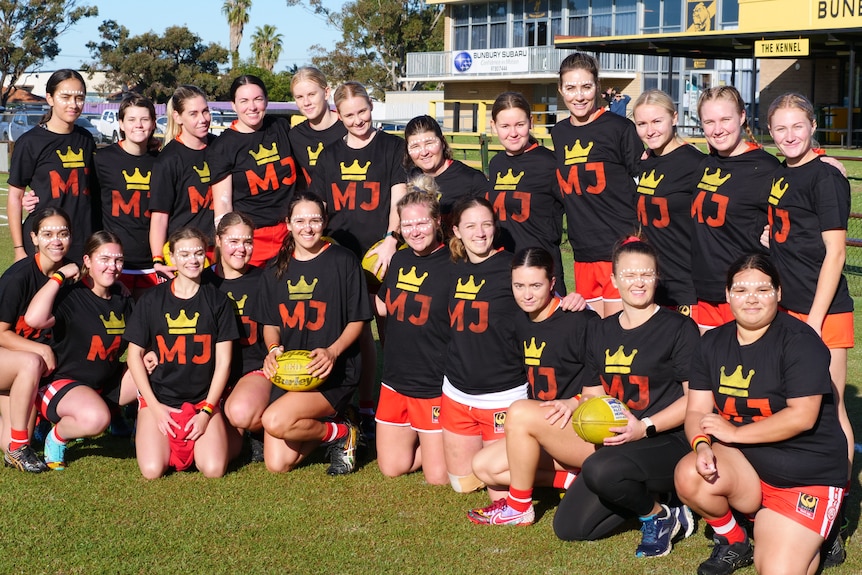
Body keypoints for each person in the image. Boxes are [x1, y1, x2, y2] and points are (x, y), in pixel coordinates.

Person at [471, 238, 699, 561]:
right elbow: (593, 393)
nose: (637, 282)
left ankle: (658, 516)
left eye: (645, 274)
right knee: (569, 527)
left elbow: (694, 402)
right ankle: (654, 498)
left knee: (599, 468)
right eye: (629, 274)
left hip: (663, 438)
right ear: (615, 279)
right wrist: (573, 403)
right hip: (616, 437)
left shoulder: (680, 328)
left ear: (657, 277)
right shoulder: (602, 331)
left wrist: (644, 426)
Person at [675, 253, 848, 575]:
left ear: (778, 293)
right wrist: (700, 445)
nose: (751, 299)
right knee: (689, 474)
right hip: (748, 469)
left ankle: (820, 526)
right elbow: (697, 409)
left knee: (777, 570)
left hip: (804, 475)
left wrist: (735, 434)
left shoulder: (800, 341)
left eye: (762, 290)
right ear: (727, 295)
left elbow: (802, 416)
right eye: (740, 290)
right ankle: (736, 540)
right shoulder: (711, 342)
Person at [765, 93, 854, 565]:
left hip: (822, 313)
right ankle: (799, 500)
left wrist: (814, 321)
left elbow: (836, 253)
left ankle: (834, 519)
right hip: (791, 309)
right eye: (780, 128)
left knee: (831, 412)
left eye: (797, 126)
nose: (790, 135)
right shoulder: (783, 171)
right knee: (795, 410)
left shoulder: (825, 175)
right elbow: (788, 228)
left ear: (814, 125)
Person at [310, 80, 407, 434]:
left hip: (382, 252)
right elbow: (319, 206)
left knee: (391, 329)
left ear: (371, 107)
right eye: (349, 115)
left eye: (363, 111)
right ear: (339, 114)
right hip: (341, 256)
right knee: (356, 333)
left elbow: (399, 198)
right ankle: (362, 408)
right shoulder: (330, 155)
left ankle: (398, 406)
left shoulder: (391, 148)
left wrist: (392, 239)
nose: (358, 120)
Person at [469, 247, 596, 517]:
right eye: (519, 285)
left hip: (583, 429)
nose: (527, 294)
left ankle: (519, 508)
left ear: (552, 284)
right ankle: (573, 481)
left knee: (520, 411)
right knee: (484, 466)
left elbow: (609, 382)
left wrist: (574, 402)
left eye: (536, 285)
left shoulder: (580, 320)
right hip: (544, 428)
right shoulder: (518, 318)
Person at [254, 191, 372, 475]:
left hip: (334, 371)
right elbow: (270, 323)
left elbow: (358, 319)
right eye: (300, 220)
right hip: (294, 372)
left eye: (315, 220)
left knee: (273, 420)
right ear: (288, 224)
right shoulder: (275, 269)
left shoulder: (343, 260)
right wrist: (273, 350)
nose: (308, 228)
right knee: (277, 463)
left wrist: (333, 351)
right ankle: (339, 428)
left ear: (325, 222)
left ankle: (340, 431)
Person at [125, 227, 239, 479]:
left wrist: (207, 412)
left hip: (202, 401)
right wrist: (154, 407)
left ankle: (234, 435)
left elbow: (223, 363)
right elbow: (134, 356)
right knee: (153, 470)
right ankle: (141, 424)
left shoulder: (219, 302)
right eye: (184, 254)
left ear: (206, 256)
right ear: (172, 258)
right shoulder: (152, 299)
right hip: (160, 399)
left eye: (198, 253)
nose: (193, 260)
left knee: (213, 469)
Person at [24, 231, 138, 470]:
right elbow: (34, 319)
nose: (112, 266)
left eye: (118, 260)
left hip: (103, 383)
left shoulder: (123, 298)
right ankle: (56, 436)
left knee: (157, 366)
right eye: (104, 259)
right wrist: (58, 277)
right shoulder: (72, 294)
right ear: (87, 261)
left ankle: (144, 433)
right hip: (60, 383)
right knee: (96, 419)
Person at [440, 197, 526, 497]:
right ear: (457, 231)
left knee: (498, 492)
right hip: (457, 392)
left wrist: (570, 301)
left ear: (495, 228)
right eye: (471, 226)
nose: (479, 233)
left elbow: (545, 306)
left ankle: (565, 472)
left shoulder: (512, 267)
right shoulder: (450, 268)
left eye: (486, 225)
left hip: (502, 393)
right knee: (461, 485)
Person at [552, 53, 642, 318]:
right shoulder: (559, 133)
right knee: (595, 336)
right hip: (583, 253)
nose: (579, 96)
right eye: (570, 88)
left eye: (586, 87)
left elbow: (645, 186)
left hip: (620, 248)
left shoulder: (620, 128)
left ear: (598, 87)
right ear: (561, 90)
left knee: (622, 333)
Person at [373, 186, 450, 484]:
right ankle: (434, 444)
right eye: (407, 224)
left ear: (437, 222)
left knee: (439, 477)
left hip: (433, 382)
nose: (415, 231)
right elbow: (383, 306)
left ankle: (457, 444)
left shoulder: (455, 264)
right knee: (391, 467)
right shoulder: (401, 260)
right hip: (395, 379)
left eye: (421, 223)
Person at [689, 86, 779, 330]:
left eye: (725, 119)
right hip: (704, 291)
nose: (717, 130)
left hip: (746, 292)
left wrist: (822, 160)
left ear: (741, 116)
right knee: (708, 366)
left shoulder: (767, 168)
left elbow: (803, 207)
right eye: (709, 121)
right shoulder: (704, 164)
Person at [0, 208, 76, 472]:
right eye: (47, 234)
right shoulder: (17, 277)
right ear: (33, 238)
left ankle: (16, 438)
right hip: (9, 360)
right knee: (32, 361)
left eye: (63, 233)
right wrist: (39, 348)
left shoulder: (71, 273)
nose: (56, 240)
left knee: (12, 434)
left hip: (21, 371)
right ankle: (18, 450)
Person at [7, 69, 97, 262]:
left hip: (83, 242)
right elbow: (15, 196)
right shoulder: (30, 142)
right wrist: (18, 249)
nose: (73, 104)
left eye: (79, 97)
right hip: (46, 244)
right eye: (65, 97)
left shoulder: (87, 139)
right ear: (50, 98)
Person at [210, 75, 300, 266]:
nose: (252, 107)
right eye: (244, 101)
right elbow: (223, 206)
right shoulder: (223, 146)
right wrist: (225, 250)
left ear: (266, 100)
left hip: (292, 233)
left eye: (258, 99)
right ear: (233, 105)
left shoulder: (280, 127)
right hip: (252, 238)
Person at [487, 91, 567, 293]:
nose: (513, 133)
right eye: (505, 126)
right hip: (504, 267)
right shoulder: (496, 164)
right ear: (493, 126)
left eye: (519, 125)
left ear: (531, 123)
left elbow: (579, 210)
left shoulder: (550, 163)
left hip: (540, 269)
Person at [631, 89, 702, 313]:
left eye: (657, 121)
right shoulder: (644, 162)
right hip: (651, 281)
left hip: (685, 282)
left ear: (674, 118)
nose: (650, 131)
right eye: (642, 123)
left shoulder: (696, 163)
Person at [211, 212, 269, 462]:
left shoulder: (265, 279)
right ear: (218, 240)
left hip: (253, 368)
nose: (241, 249)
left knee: (241, 413)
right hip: (211, 375)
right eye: (233, 241)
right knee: (224, 454)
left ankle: (258, 429)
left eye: (247, 241)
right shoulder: (201, 281)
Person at [94, 93, 161, 298]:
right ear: (121, 124)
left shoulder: (162, 161)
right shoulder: (102, 160)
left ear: (153, 123)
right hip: (113, 263)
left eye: (144, 119)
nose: (138, 125)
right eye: (131, 119)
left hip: (153, 264)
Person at [149, 85, 216, 281]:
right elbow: (160, 216)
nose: (203, 119)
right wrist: (158, 260)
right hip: (184, 251)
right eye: (193, 114)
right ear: (178, 117)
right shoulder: (168, 159)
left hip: (216, 249)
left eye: (205, 111)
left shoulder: (219, 146)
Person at [403, 114, 488, 226]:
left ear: (442, 143)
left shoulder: (472, 180)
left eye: (429, 143)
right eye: (415, 146)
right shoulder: (406, 180)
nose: (424, 152)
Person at [288, 66, 347, 187]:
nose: (306, 102)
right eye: (299, 97)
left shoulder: (348, 128)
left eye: (311, 94)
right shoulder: (295, 136)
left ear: (326, 93)